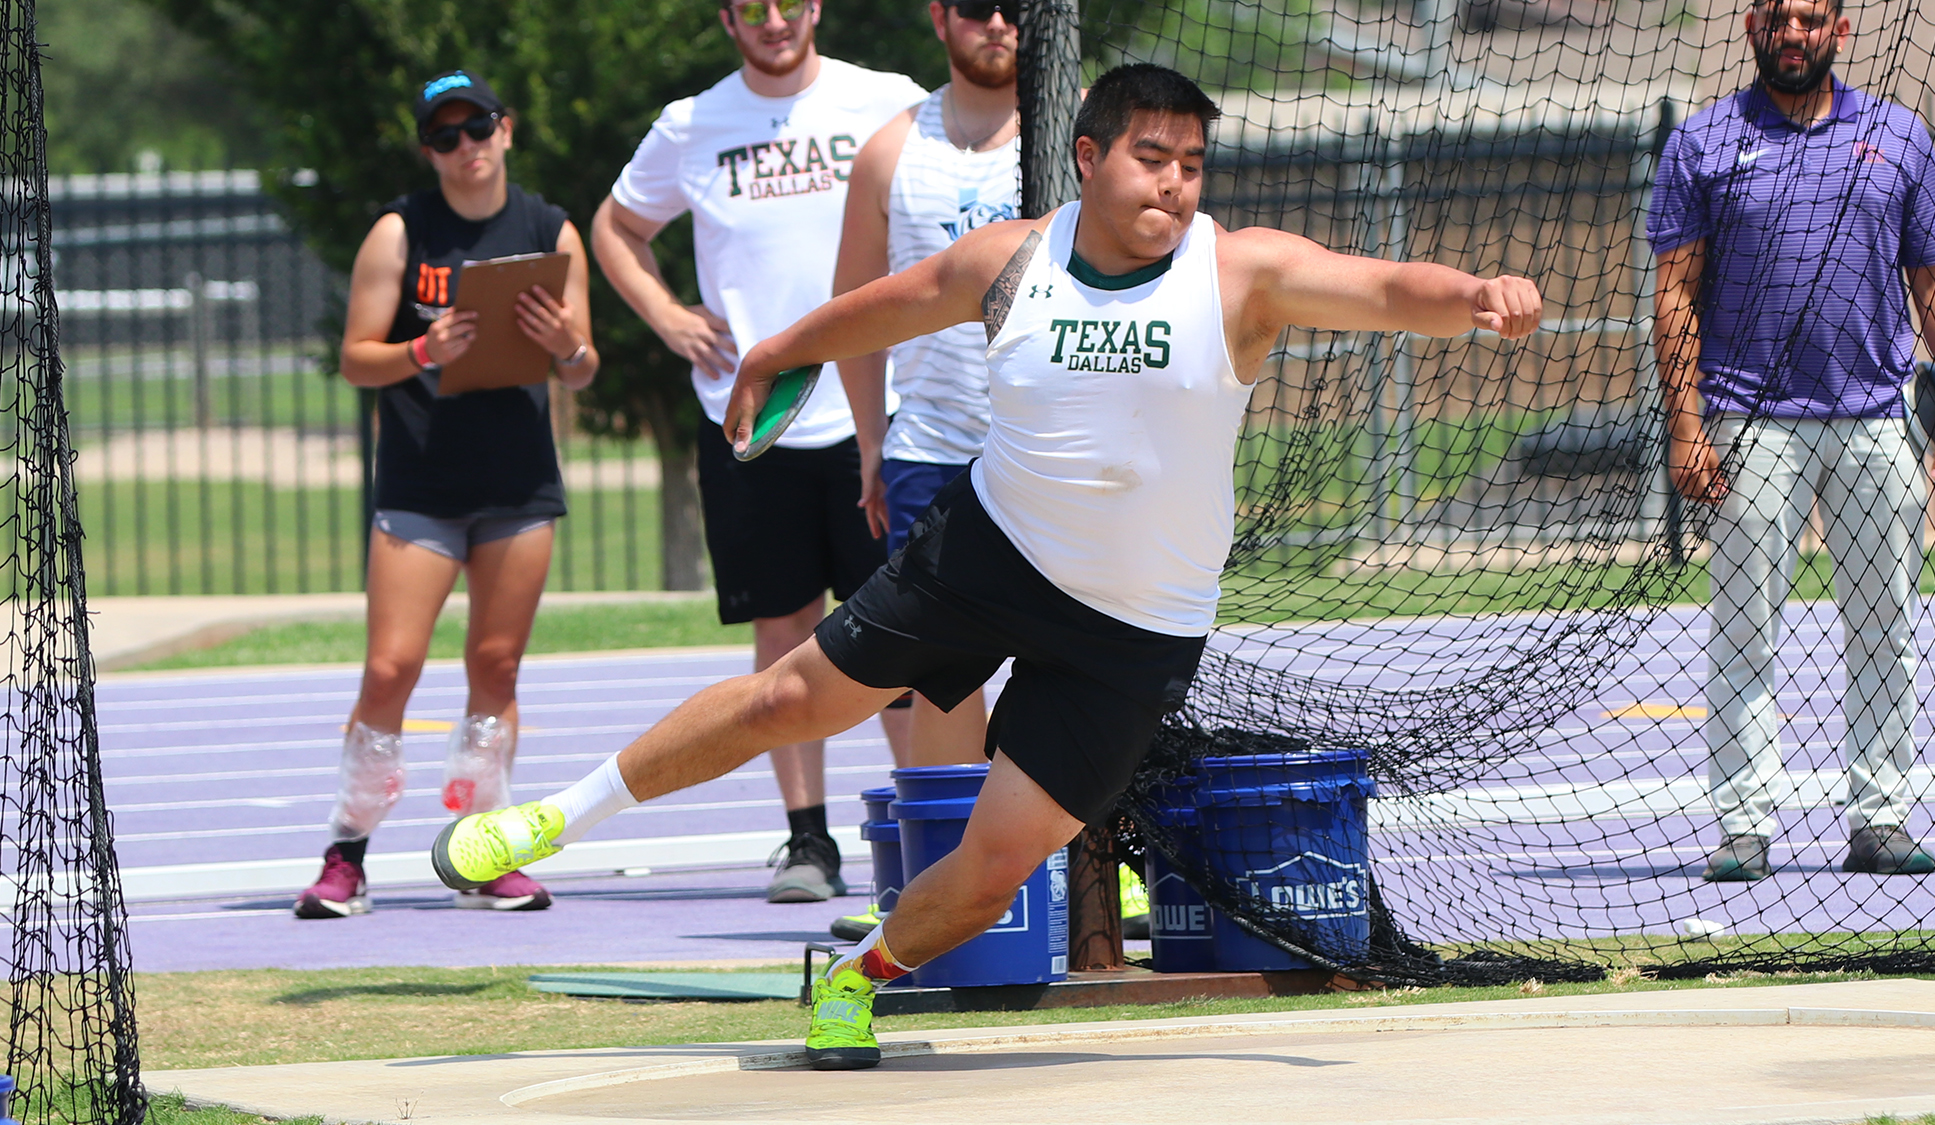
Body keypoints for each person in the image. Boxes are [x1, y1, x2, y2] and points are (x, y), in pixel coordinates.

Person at [432, 63, 1540, 1067]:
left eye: (1192, 164)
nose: (1173, 184)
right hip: (988, 554)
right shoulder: (1009, 260)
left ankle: (856, 980)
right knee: (786, 698)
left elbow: (1382, 288)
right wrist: (773, 354)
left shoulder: (1239, 273)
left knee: (996, 866)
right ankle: (551, 820)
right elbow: (876, 312)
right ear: (1089, 157)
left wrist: (1474, 294)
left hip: (1137, 628)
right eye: (1151, 157)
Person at [590, 0, 927, 904]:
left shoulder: (889, 100)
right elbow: (614, 227)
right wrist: (667, 315)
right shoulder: (691, 123)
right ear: (727, 20)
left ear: (815, 8)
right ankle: (808, 841)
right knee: (784, 636)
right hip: (753, 419)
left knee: (903, 639)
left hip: (876, 414)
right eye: (751, 8)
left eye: (788, 3)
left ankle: (927, 834)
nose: (773, 21)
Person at [1649, 0, 1935, 882]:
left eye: (1809, 17)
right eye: (1776, 17)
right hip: (1749, 423)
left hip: (1877, 419)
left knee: (1884, 626)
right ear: (1751, 27)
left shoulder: (1898, 135)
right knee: (1745, 631)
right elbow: (1674, 293)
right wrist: (1686, 426)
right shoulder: (1703, 143)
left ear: (1838, 29)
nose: (1792, 33)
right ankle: (1744, 825)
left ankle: (1879, 817)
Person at [295, 70, 599, 919]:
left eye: (478, 128)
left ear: (507, 129)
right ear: (428, 149)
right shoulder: (401, 231)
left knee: (496, 664)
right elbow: (356, 359)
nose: (466, 147)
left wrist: (566, 343)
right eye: (445, 135)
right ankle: (345, 853)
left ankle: (486, 850)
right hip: (422, 480)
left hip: (517, 480)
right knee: (390, 666)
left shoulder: (550, 230)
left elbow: (583, 367)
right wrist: (424, 351)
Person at [822, 0, 1021, 941]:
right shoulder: (890, 150)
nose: (998, 20)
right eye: (976, 5)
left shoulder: (1082, 136)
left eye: (1016, 6)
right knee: (941, 675)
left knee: (1078, 662)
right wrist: (872, 441)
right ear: (940, 16)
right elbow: (856, 306)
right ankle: (942, 892)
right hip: (932, 447)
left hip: (1053, 451)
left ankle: (1095, 872)